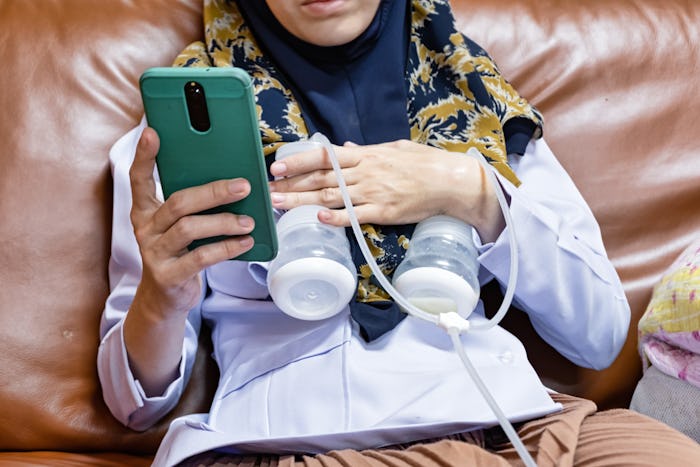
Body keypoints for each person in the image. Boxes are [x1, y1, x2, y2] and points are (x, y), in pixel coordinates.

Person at [97, 1, 700, 466]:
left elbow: (599, 335)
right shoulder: (172, 145)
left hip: (515, 423)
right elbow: (134, 404)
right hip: (298, 439)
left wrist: (473, 194)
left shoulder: (481, 107)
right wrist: (163, 294)